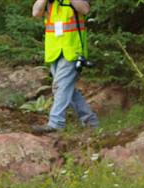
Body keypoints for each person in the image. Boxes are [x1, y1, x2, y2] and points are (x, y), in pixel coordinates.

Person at [31, 0, 99, 134]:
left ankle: (56, 123)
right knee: (66, 89)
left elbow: (85, 9)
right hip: (55, 51)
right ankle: (91, 122)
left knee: (60, 86)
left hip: (72, 50)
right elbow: (36, 12)